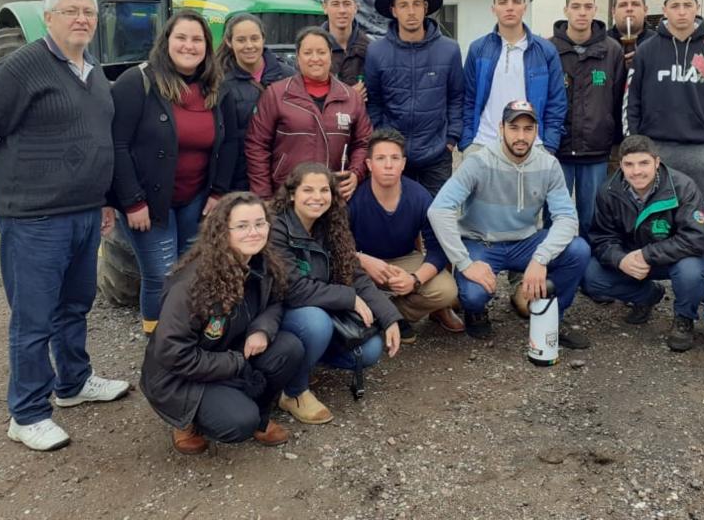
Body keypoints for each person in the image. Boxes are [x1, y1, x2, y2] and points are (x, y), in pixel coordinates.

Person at [0, 0, 128, 451]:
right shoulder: (23, 66)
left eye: (88, 12)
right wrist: (8, 177)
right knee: (33, 318)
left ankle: (73, 382)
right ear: (49, 18)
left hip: (84, 213)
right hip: (34, 218)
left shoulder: (92, 72)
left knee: (75, 304)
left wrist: (104, 199)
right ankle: (28, 411)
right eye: (70, 11)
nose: (81, 19)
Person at [140, 192, 303, 454]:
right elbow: (174, 353)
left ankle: (259, 415)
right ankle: (187, 419)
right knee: (238, 423)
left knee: (289, 347)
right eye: (242, 226)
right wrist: (236, 362)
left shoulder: (264, 262)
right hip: (181, 377)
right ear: (221, 231)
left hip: (228, 354)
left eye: (260, 223)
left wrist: (262, 329)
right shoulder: (191, 285)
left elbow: (276, 302)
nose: (254, 232)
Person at [429, 101, 590, 347]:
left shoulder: (548, 164)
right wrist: (465, 263)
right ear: (501, 128)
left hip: (525, 242)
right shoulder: (478, 162)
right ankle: (476, 310)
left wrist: (540, 259)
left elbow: (567, 217)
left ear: (537, 130)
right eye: (514, 128)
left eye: (528, 129)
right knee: (473, 295)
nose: (521, 136)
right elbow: (439, 210)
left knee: (578, 250)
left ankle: (551, 315)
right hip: (481, 242)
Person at [111, 9, 228, 334]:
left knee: (188, 274)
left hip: (194, 199)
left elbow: (227, 143)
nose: (189, 45)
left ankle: (183, 339)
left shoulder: (214, 88)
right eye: (181, 37)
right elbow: (117, 145)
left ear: (207, 46)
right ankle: (158, 348)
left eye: (197, 39)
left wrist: (217, 191)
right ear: (166, 42)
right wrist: (132, 201)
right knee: (161, 276)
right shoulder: (138, 82)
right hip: (148, 204)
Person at [271, 164, 402, 424]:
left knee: (371, 350)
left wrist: (389, 317)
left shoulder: (330, 225)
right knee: (314, 322)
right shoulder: (276, 227)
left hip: (320, 308)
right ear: (292, 194)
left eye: (324, 190)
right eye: (308, 189)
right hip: (279, 316)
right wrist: (348, 298)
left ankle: (305, 363)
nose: (317, 197)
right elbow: (293, 290)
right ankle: (293, 392)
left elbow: (356, 275)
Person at [583, 135, 704, 352]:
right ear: (620, 164)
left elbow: (697, 237)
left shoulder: (683, 187)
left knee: (691, 270)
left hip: (671, 259)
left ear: (657, 162)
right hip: (632, 261)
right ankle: (647, 296)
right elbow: (601, 238)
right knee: (591, 276)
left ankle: (683, 318)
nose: (637, 171)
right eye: (629, 164)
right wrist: (620, 259)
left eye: (644, 163)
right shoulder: (608, 191)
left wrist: (647, 254)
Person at [348, 129, 463, 339]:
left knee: (447, 290)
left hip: (402, 258)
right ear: (368, 164)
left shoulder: (419, 196)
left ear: (403, 163)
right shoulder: (354, 198)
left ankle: (390, 313)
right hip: (362, 260)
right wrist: (362, 259)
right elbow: (335, 244)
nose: (389, 165)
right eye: (381, 158)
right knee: (340, 283)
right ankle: (370, 315)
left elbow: (437, 249)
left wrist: (414, 280)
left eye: (395, 158)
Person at [624, 0, 704, 199]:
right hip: (654, 150)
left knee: (695, 219)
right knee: (655, 217)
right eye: (675, 6)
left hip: (698, 153)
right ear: (664, 10)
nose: (681, 12)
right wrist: (637, 146)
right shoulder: (646, 50)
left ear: (697, 8)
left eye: (687, 5)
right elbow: (631, 102)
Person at [245, 27, 371, 202]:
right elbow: (257, 146)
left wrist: (356, 173)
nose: (315, 59)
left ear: (331, 55)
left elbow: (363, 143)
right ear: (297, 57)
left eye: (321, 52)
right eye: (308, 52)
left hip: (332, 195)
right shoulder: (277, 94)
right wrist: (263, 196)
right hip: (286, 195)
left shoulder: (350, 98)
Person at [365, 0, 464, 197]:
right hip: (394, 153)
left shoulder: (449, 50)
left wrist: (451, 138)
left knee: (436, 217)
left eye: (417, 4)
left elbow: (456, 97)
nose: (411, 11)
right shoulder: (376, 52)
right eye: (404, 5)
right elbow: (374, 102)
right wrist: (381, 138)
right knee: (397, 217)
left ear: (425, 8)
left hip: (436, 152)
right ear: (393, 10)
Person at [549, 0, 625, 239]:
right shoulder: (549, 49)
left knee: (592, 218)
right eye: (576, 6)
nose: (582, 12)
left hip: (596, 152)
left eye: (588, 6)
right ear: (566, 10)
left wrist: (612, 140)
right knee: (554, 216)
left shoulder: (612, 50)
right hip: (557, 151)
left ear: (596, 10)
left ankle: (590, 274)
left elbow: (616, 101)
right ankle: (554, 270)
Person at [460, 0, 566, 155]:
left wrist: (549, 146)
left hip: (533, 146)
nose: (510, 7)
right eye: (503, 2)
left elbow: (556, 102)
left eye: (516, 1)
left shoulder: (546, 51)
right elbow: (467, 99)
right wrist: (467, 143)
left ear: (524, 7)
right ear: (493, 9)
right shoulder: (478, 49)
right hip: (483, 144)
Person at [216, 13, 294, 191]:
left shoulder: (288, 76)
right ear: (229, 42)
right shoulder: (220, 82)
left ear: (263, 39)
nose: (249, 46)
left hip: (283, 174)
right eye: (241, 40)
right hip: (238, 178)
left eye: (254, 38)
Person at [320, 0, 371, 101]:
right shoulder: (313, 48)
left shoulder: (370, 49)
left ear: (356, 8)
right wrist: (347, 96)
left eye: (347, 4)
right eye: (335, 4)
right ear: (325, 8)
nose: (342, 10)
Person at [607, 0, 655, 73]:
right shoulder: (602, 43)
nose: (629, 9)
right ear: (613, 12)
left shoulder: (658, 43)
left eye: (635, 4)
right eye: (623, 5)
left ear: (645, 10)